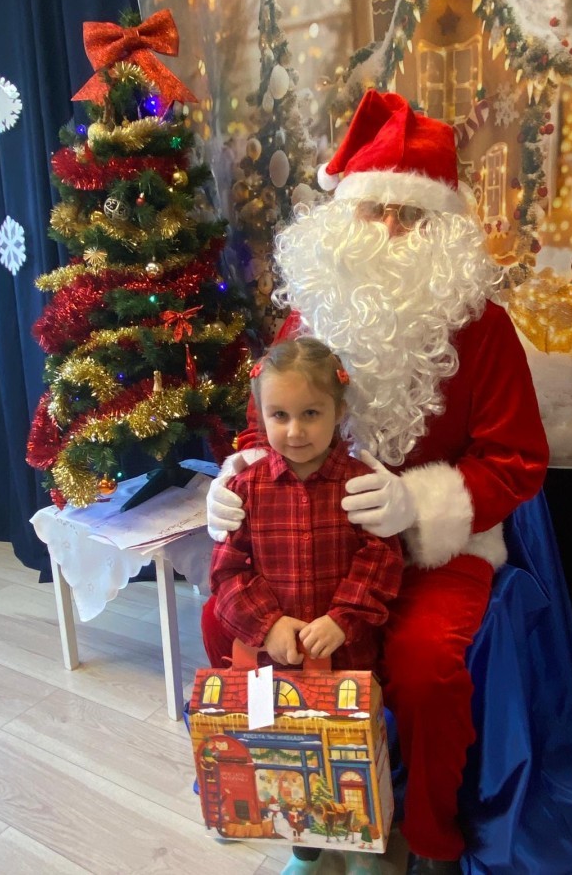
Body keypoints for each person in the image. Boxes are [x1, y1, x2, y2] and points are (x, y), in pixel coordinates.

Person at [204, 90, 550, 874]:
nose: (391, 228)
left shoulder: (484, 328)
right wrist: (235, 475)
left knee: (426, 666)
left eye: (411, 214)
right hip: (310, 544)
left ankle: (427, 837)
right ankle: (302, 813)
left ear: (443, 229)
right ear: (343, 217)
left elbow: (515, 459)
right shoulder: (306, 320)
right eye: (375, 210)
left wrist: (414, 503)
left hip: (433, 554)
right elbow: (264, 429)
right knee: (233, 631)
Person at [205, 336, 405, 875]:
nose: (294, 431)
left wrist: (343, 619)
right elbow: (226, 571)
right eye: (280, 415)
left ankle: (364, 844)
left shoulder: (360, 484)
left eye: (310, 413)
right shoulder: (246, 488)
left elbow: (382, 558)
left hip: (347, 656)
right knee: (288, 758)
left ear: (338, 411)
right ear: (262, 415)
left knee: (352, 753)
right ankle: (306, 847)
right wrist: (267, 625)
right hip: (274, 665)